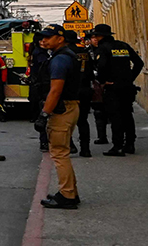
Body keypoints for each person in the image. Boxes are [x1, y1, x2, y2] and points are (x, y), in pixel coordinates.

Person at [35, 24, 82, 210]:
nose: (43, 40)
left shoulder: (60, 60)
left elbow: (55, 91)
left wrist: (44, 114)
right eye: (42, 37)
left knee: (59, 153)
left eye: (48, 37)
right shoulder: (65, 56)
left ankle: (67, 195)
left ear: (60, 38)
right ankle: (70, 191)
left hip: (62, 109)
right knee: (61, 151)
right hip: (69, 107)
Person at [89, 23, 144, 156]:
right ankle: (130, 144)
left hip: (113, 87)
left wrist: (102, 81)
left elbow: (101, 67)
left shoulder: (103, 48)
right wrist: (130, 78)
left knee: (116, 117)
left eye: (96, 35)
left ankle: (118, 146)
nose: (95, 38)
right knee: (127, 115)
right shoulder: (123, 45)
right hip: (127, 87)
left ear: (101, 36)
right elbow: (139, 63)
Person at [86, 30, 110, 147]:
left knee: (114, 111)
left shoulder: (106, 49)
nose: (95, 39)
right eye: (93, 38)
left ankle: (121, 139)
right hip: (95, 83)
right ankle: (102, 136)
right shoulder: (88, 52)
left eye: (96, 37)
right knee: (98, 110)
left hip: (109, 83)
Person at [28, 38, 52, 151]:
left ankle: (45, 142)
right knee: (45, 115)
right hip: (43, 88)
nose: (43, 42)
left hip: (39, 88)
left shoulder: (38, 53)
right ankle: (45, 142)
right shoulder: (41, 54)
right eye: (41, 40)